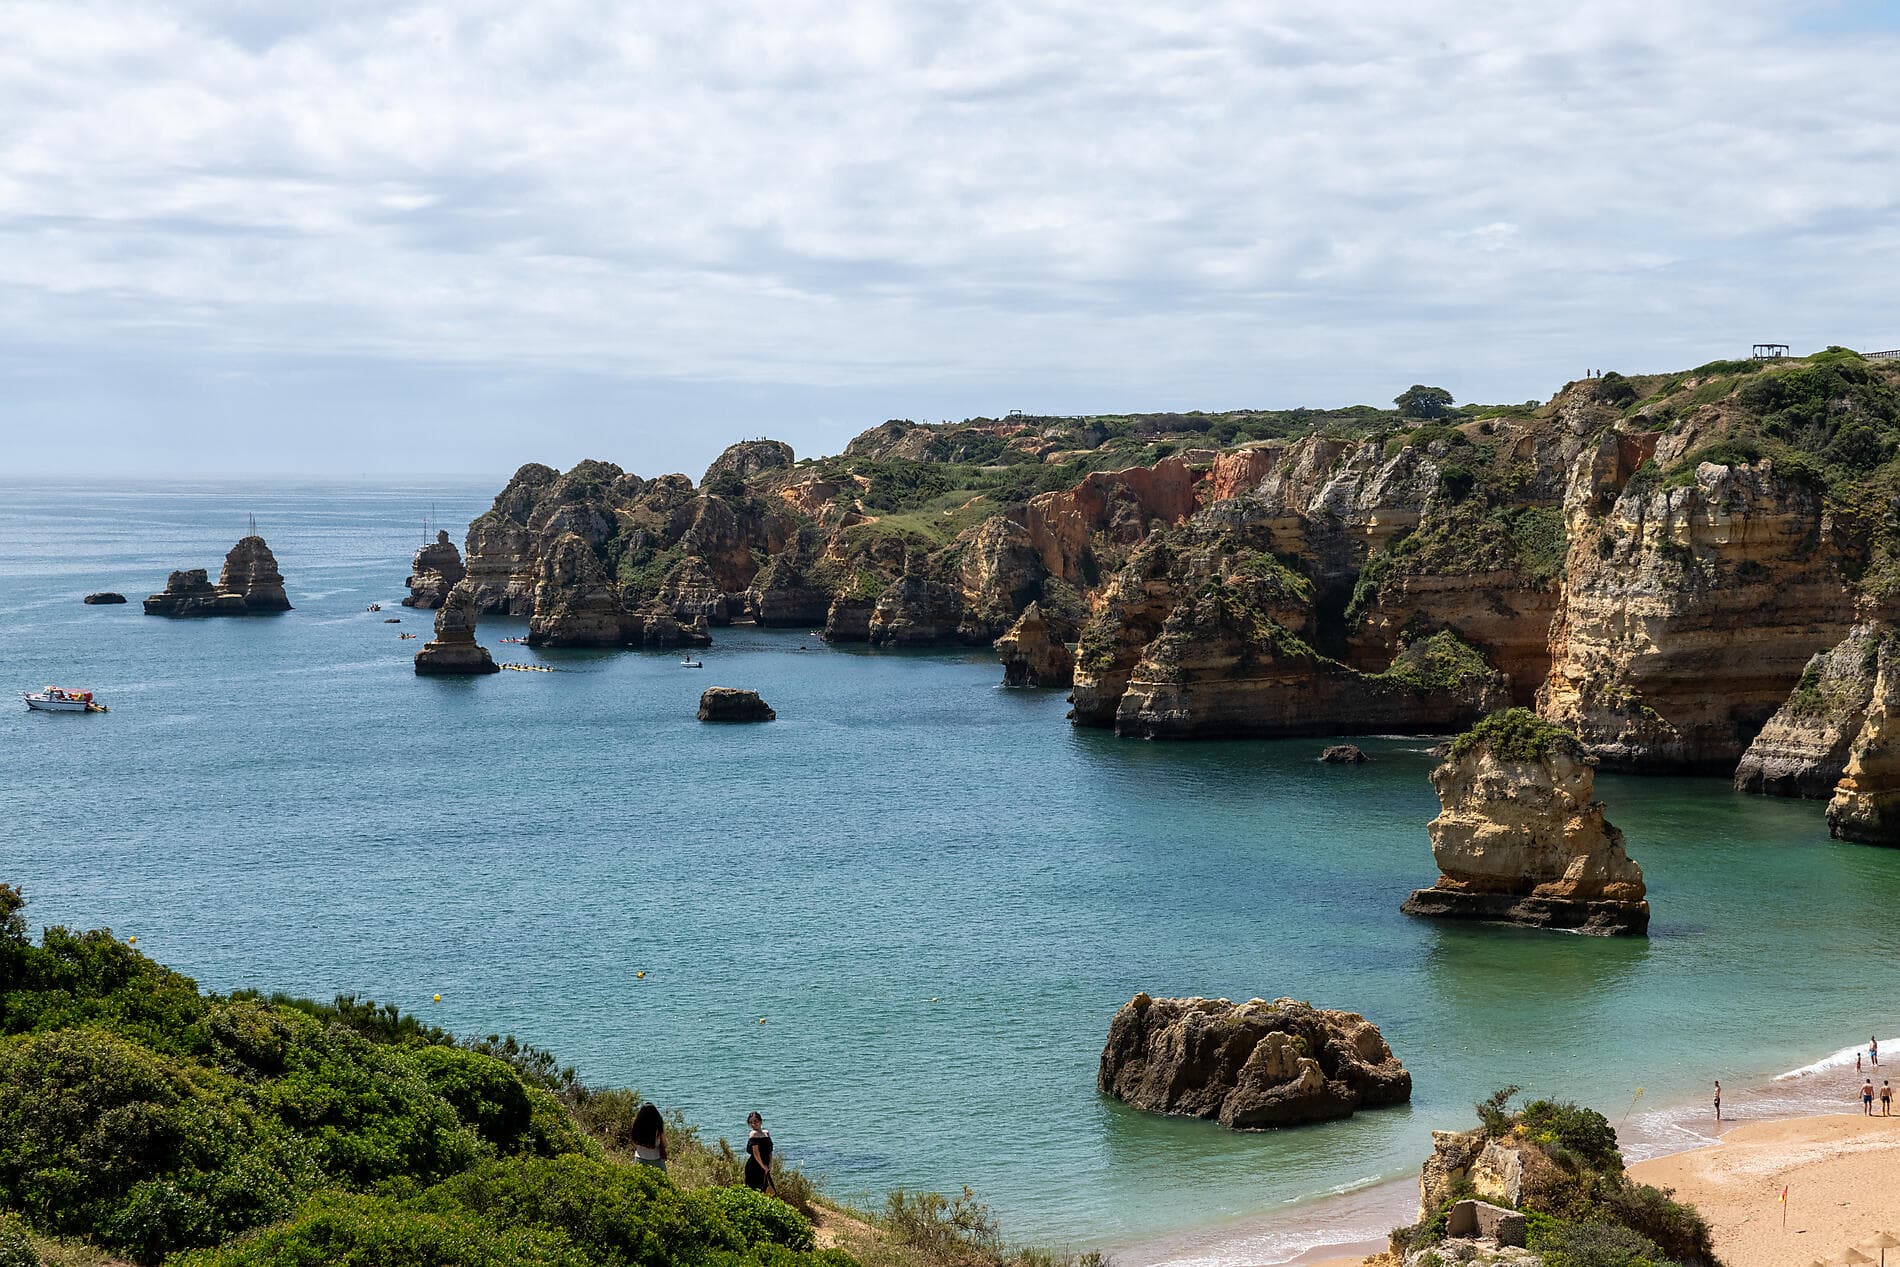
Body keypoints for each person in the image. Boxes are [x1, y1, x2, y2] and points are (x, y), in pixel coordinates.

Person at [743, 1111, 774, 1193]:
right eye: (751, 1123)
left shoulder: (766, 1133)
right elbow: (756, 1153)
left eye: (755, 1122)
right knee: (755, 1189)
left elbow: (770, 1150)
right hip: (755, 1165)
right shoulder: (753, 1134)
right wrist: (763, 1166)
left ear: (760, 1121)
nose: (753, 1124)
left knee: (768, 1189)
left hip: (766, 1163)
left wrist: (770, 1163)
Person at [631, 1102, 668, 1170]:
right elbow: (665, 1144)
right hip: (656, 1160)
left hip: (639, 1159)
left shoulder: (636, 1128)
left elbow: (634, 1143)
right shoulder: (658, 1129)